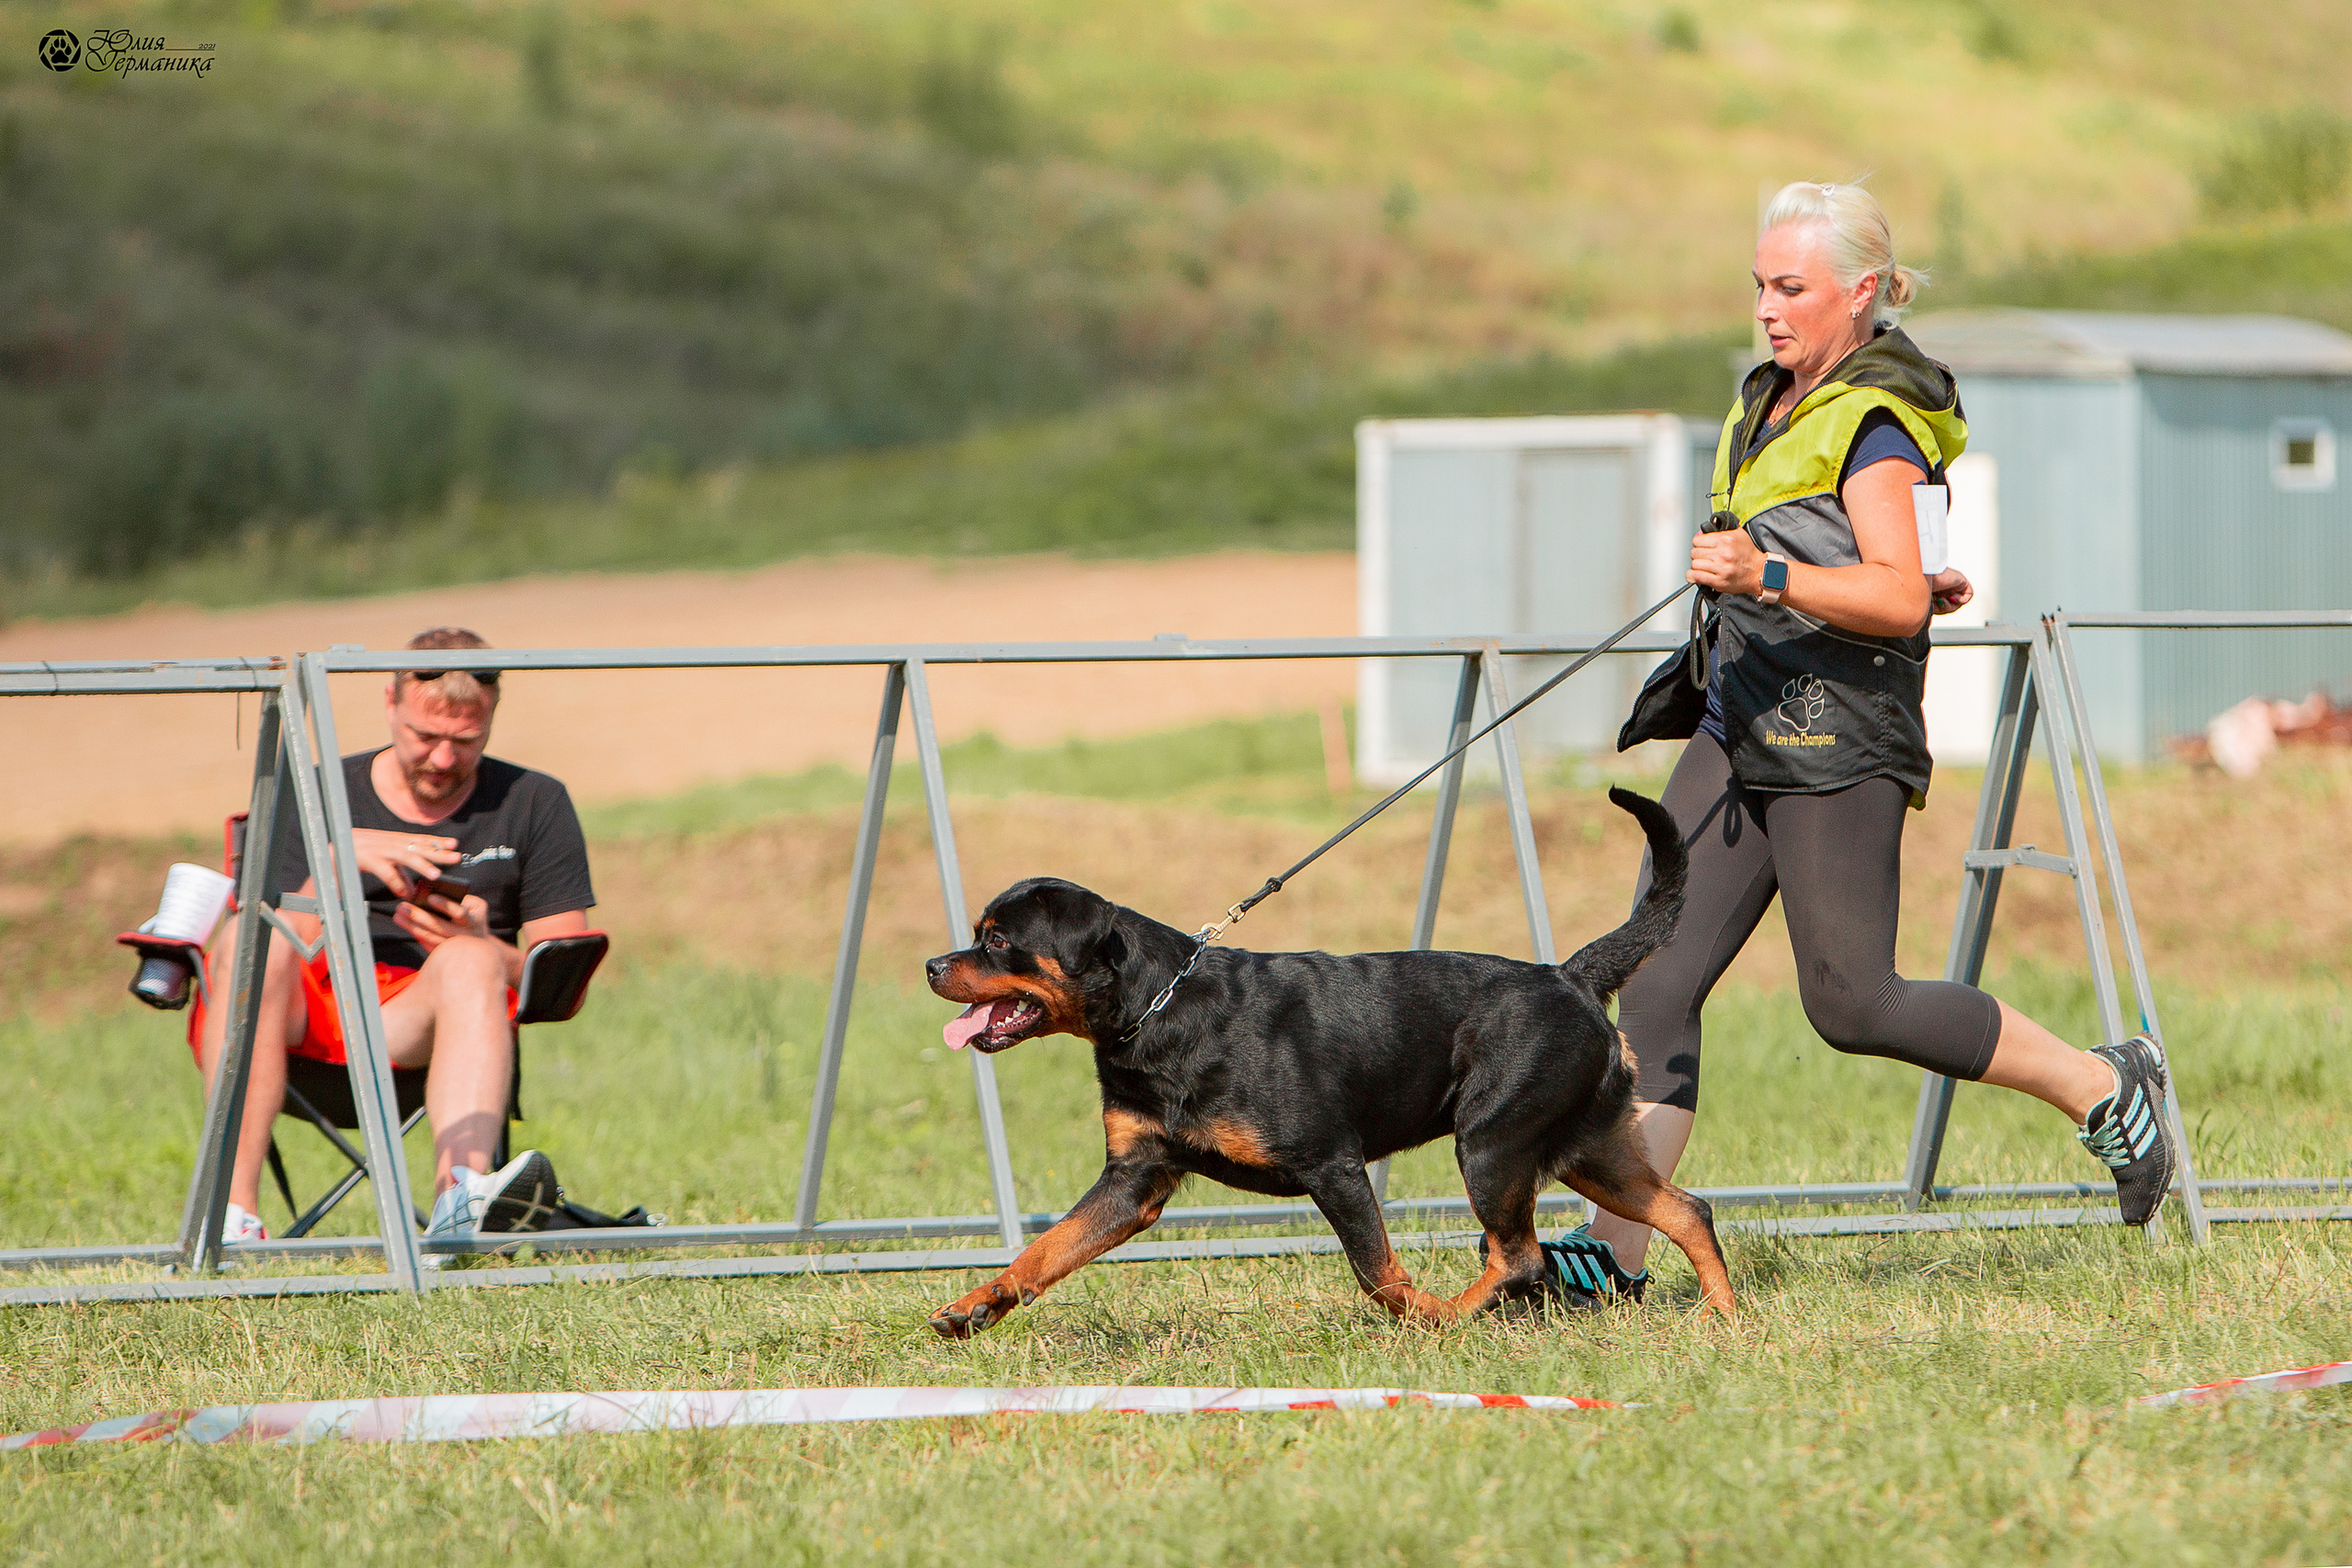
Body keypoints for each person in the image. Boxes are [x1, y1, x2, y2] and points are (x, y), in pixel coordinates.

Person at [1546, 182, 2176, 1303]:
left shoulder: (1874, 421)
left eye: (1791, 289)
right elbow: (1885, 569)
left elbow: (1894, 600)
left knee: (1853, 1003)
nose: (1768, 311)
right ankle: (1613, 1254)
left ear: (1863, 292)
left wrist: (1771, 573)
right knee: (1650, 977)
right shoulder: (1772, 404)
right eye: (1758, 287)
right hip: (1739, 718)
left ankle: (2103, 1087)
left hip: (1835, 738)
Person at [195, 626, 597, 1250]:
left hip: (423, 1025)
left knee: (468, 959)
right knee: (255, 936)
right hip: (307, 1019)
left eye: (466, 741)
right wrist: (335, 862)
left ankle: (461, 1198)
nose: (443, 758)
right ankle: (232, 1214)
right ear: (390, 702)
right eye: (426, 736)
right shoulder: (315, 789)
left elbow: (562, 973)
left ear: (492, 717)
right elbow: (257, 949)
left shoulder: (534, 801)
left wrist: (489, 948)